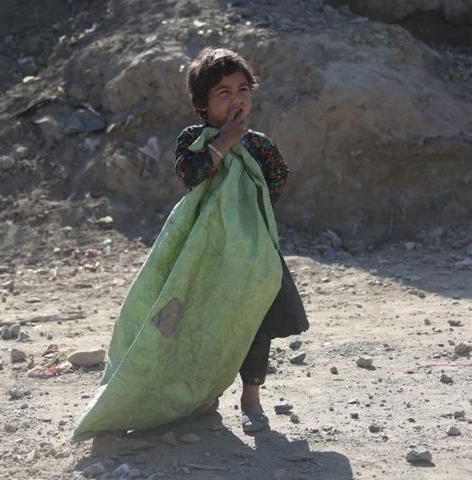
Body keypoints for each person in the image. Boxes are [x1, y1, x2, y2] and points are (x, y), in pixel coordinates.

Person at [174, 47, 309, 433]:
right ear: (202, 103)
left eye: (243, 89)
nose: (237, 99)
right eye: (223, 92)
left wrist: (248, 207)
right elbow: (191, 175)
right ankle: (207, 395)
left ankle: (251, 399)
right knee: (206, 321)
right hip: (208, 251)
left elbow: (278, 177)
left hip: (250, 249)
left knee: (256, 323)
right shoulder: (194, 140)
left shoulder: (260, 144)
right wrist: (225, 141)